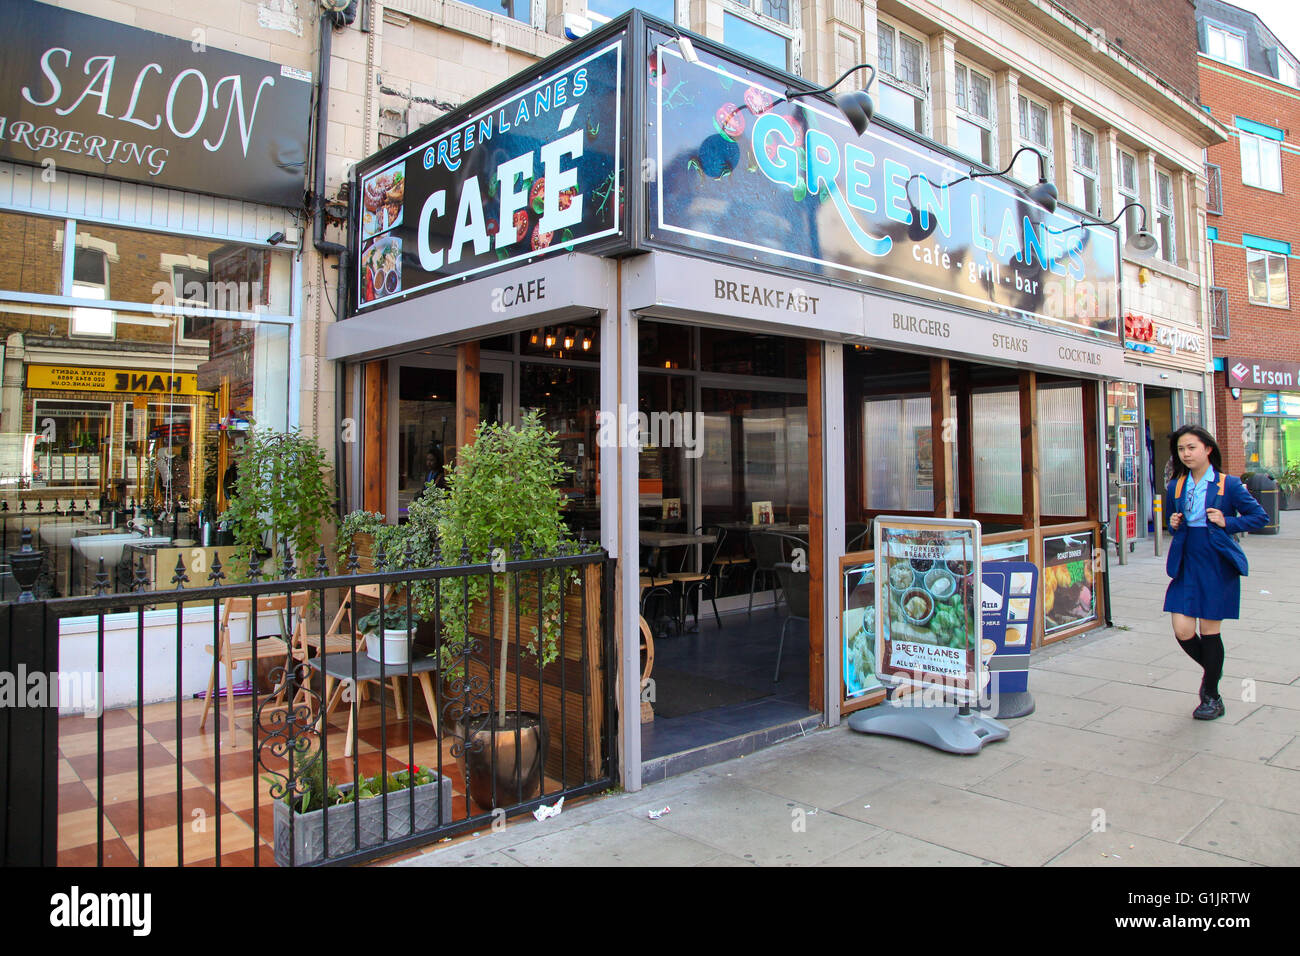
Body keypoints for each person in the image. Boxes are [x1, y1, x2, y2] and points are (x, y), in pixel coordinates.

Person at [1162, 425, 1267, 720]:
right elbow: (1173, 525)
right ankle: (1214, 673)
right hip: (1186, 560)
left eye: (1191, 447)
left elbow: (1260, 517)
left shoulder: (1228, 484)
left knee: (1209, 631)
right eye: (1181, 449)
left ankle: (1210, 695)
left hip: (1216, 562)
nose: (1186, 454)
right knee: (1182, 630)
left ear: (1207, 449)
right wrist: (1173, 522)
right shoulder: (1175, 487)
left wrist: (1227, 521)